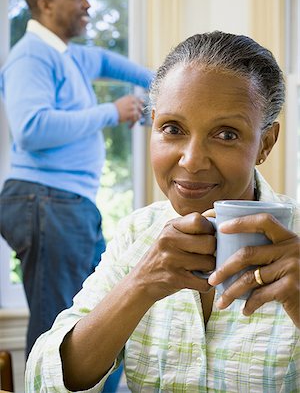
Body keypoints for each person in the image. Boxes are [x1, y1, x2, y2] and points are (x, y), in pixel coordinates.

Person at [25, 31, 300, 392]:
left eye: (227, 134)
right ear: (153, 125)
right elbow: (41, 384)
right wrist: (140, 285)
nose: (192, 160)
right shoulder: (138, 233)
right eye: (172, 129)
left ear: (265, 143)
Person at [0, 0, 153, 366]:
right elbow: (31, 129)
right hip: (46, 200)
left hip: (65, 204)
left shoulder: (69, 56)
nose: (88, 4)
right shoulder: (30, 56)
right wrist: (112, 111)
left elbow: (116, 66)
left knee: (101, 317)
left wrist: (173, 84)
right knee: (58, 332)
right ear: (45, 3)